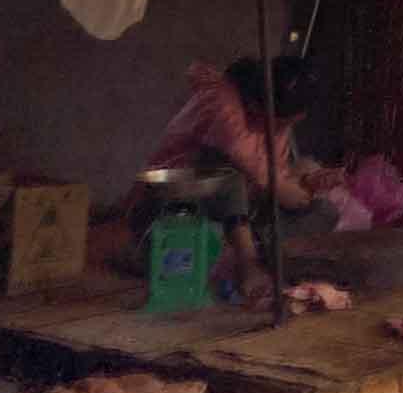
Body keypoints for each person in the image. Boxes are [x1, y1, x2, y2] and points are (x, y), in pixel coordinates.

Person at [140, 56, 337, 301]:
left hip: (235, 215)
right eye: (279, 120)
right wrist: (293, 187)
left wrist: (309, 179)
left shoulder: (278, 123)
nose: (279, 126)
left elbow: (277, 178)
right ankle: (247, 263)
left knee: (325, 211)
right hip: (178, 203)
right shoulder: (223, 102)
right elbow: (258, 173)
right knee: (231, 176)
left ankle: (245, 255)